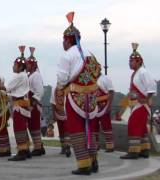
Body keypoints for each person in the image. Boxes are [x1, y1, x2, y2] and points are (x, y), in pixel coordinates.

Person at [56, 11, 100, 175]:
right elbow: (97, 72)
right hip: (92, 99)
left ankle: (83, 165)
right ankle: (94, 161)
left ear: (68, 40)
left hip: (75, 98)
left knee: (76, 130)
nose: (63, 43)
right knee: (89, 130)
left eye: (63, 40)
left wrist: (62, 88)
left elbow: (61, 80)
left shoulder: (67, 55)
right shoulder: (90, 53)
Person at [0, 45, 31, 161]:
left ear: (19, 66)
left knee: (19, 128)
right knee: (20, 127)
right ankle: (25, 149)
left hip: (19, 104)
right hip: (22, 103)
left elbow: (6, 87)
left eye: (14, 65)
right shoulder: (23, 75)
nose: (13, 66)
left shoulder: (19, 76)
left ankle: (21, 151)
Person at [120, 43, 156, 159]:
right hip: (136, 104)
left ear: (139, 62)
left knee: (133, 125)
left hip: (141, 104)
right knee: (141, 127)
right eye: (129, 61)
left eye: (132, 61)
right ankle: (145, 150)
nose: (130, 63)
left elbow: (152, 86)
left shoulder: (143, 72)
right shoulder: (135, 73)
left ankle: (134, 151)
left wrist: (146, 99)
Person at [26, 47, 45, 156]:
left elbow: (39, 91)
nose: (27, 66)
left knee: (34, 125)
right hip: (30, 103)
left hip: (34, 104)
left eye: (28, 64)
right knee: (31, 125)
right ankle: (39, 146)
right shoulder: (30, 75)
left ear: (33, 65)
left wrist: (33, 102)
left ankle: (38, 148)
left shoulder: (36, 75)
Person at [95, 66, 115, 152]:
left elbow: (111, 92)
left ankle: (110, 146)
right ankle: (95, 146)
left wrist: (109, 106)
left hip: (104, 105)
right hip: (94, 107)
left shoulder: (105, 78)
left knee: (106, 126)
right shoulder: (91, 80)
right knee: (93, 126)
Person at [50, 87, 71, 157]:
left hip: (67, 113)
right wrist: (53, 115)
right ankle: (63, 147)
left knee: (67, 130)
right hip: (58, 113)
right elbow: (52, 102)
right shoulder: (54, 89)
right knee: (61, 131)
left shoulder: (69, 87)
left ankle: (67, 146)